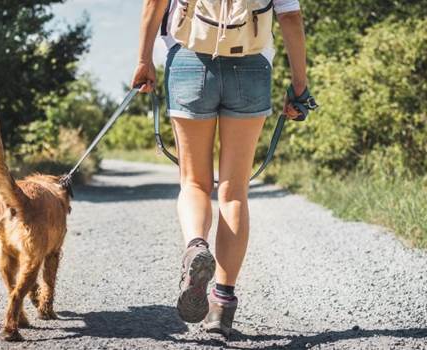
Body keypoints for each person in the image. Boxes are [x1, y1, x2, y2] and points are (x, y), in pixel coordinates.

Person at [132, 0, 308, 337]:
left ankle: (196, 246)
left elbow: (154, 4)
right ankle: (222, 306)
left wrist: (143, 61)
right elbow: (290, 17)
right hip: (252, 67)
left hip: (189, 62)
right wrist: (299, 85)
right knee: (234, 191)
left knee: (194, 183)